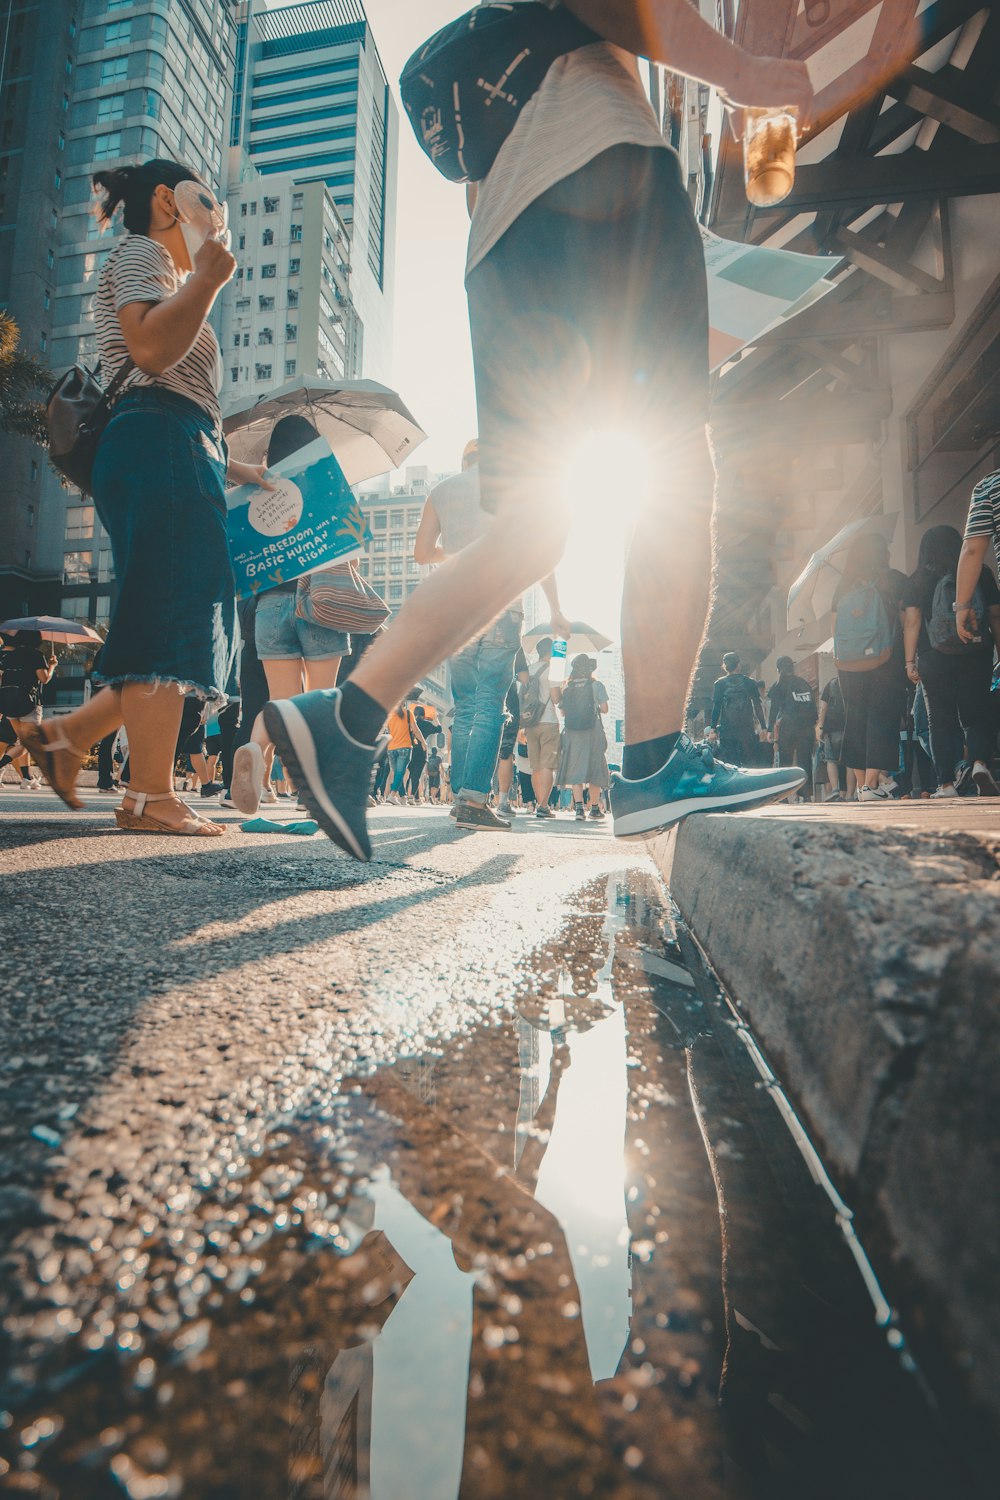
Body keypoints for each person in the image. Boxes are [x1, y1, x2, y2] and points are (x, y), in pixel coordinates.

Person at [260, 4, 813, 859]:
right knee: (674, 464)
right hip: (604, 174)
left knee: (534, 528)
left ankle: (346, 718)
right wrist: (742, 75)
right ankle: (656, 763)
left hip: (503, 239)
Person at [13, 159, 269, 834]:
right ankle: (149, 794)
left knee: (176, 600)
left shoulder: (159, 267)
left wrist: (243, 470)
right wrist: (210, 282)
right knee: (172, 604)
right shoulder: (142, 254)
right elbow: (151, 352)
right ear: (166, 199)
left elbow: (179, 386)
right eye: (206, 202)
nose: (216, 217)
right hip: (159, 437)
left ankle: (68, 741)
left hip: (176, 441)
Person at [413, 442, 538, 832]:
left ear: (463, 461)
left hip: (456, 609)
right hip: (500, 604)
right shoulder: (510, 487)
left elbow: (421, 554)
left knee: (464, 707)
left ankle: (461, 799)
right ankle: (473, 800)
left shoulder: (441, 491)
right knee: (489, 703)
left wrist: (453, 552)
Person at [230, 415, 350, 815]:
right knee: (318, 701)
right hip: (320, 601)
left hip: (270, 605)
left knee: (280, 700)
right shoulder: (326, 483)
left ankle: (252, 747)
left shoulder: (254, 490)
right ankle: (309, 790)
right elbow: (349, 545)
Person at [902, 523, 1000, 798]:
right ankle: (980, 763)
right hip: (976, 650)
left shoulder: (918, 578)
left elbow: (912, 622)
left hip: (934, 656)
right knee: (977, 713)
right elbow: (995, 614)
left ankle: (945, 784)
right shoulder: (979, 572)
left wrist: (910, 661)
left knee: (939, 720)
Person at [832, 532, 907, 803]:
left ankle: (863, 785)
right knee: (882, 719)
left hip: (849, 664)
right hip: (886, 660)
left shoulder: (843, 585)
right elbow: (907, 620)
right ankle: (872, 783)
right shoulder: (896, 580)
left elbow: (834, 626)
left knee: (855, 719)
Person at [553, 654, 609, 819]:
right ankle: (594, 808)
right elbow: (605, 709)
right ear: (590, 670)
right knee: (595, 769)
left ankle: (578, 809)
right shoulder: (596, 685)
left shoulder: (568, 687)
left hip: (572, 732)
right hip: (592, 731)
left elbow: (563, 712)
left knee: (576, 768)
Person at [0, 632, 55, 789]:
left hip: (9, 703)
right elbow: (44, 679)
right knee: (28, 744)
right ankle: (5, 766)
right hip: (29, 703)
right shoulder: (36, 655)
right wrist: (52, 666)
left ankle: (26, 779)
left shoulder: (10, 656)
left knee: (21, 742)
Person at [517, 639, 563, 822]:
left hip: (530, 723)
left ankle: (538, 803)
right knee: (548, 765)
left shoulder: (529, 670)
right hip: (548, 721)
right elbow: (556, 698)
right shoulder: (553, 669)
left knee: (535, 766)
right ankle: (544, 806)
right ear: (550, 652)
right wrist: (561, 687)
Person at [767, 658, 817, 801]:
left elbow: (774, 710)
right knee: (804, 762)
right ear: (792, 668)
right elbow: (813, 710)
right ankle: (806, 796)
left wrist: (770, 729)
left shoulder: (779, 685)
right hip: (807, 729)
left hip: (788, 728)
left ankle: (784, 796)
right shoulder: (804, 683)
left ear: (778, 669)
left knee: (785, 763)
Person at [709, 652, 766, 767]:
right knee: (749, 763)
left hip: (727, 730)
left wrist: (713, 729)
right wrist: (763, 727)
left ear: (725, 667)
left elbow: (716, 708)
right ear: (739, 665)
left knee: (730, 764)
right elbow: (757, 705)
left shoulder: (719, 684)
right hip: (746, 729)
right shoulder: (750, 682)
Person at [815, 676, 847, 802]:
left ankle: (835, 790)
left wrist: (821, 726)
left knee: (831, 760)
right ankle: (849, 794)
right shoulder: (853, 681)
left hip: (832, 728)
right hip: (849, 727)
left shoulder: (831, 684)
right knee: (849, 763)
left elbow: (823, 708)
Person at [385, 701, 424, 805]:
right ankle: (392, 795)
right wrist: (423, 742)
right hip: (404, 746)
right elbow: (415, 730)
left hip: (391, 747)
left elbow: (388, 730)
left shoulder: (389, 714)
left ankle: (402, 796)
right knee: (400, 772)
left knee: (397, 772)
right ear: (403, 703)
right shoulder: (408, 713)